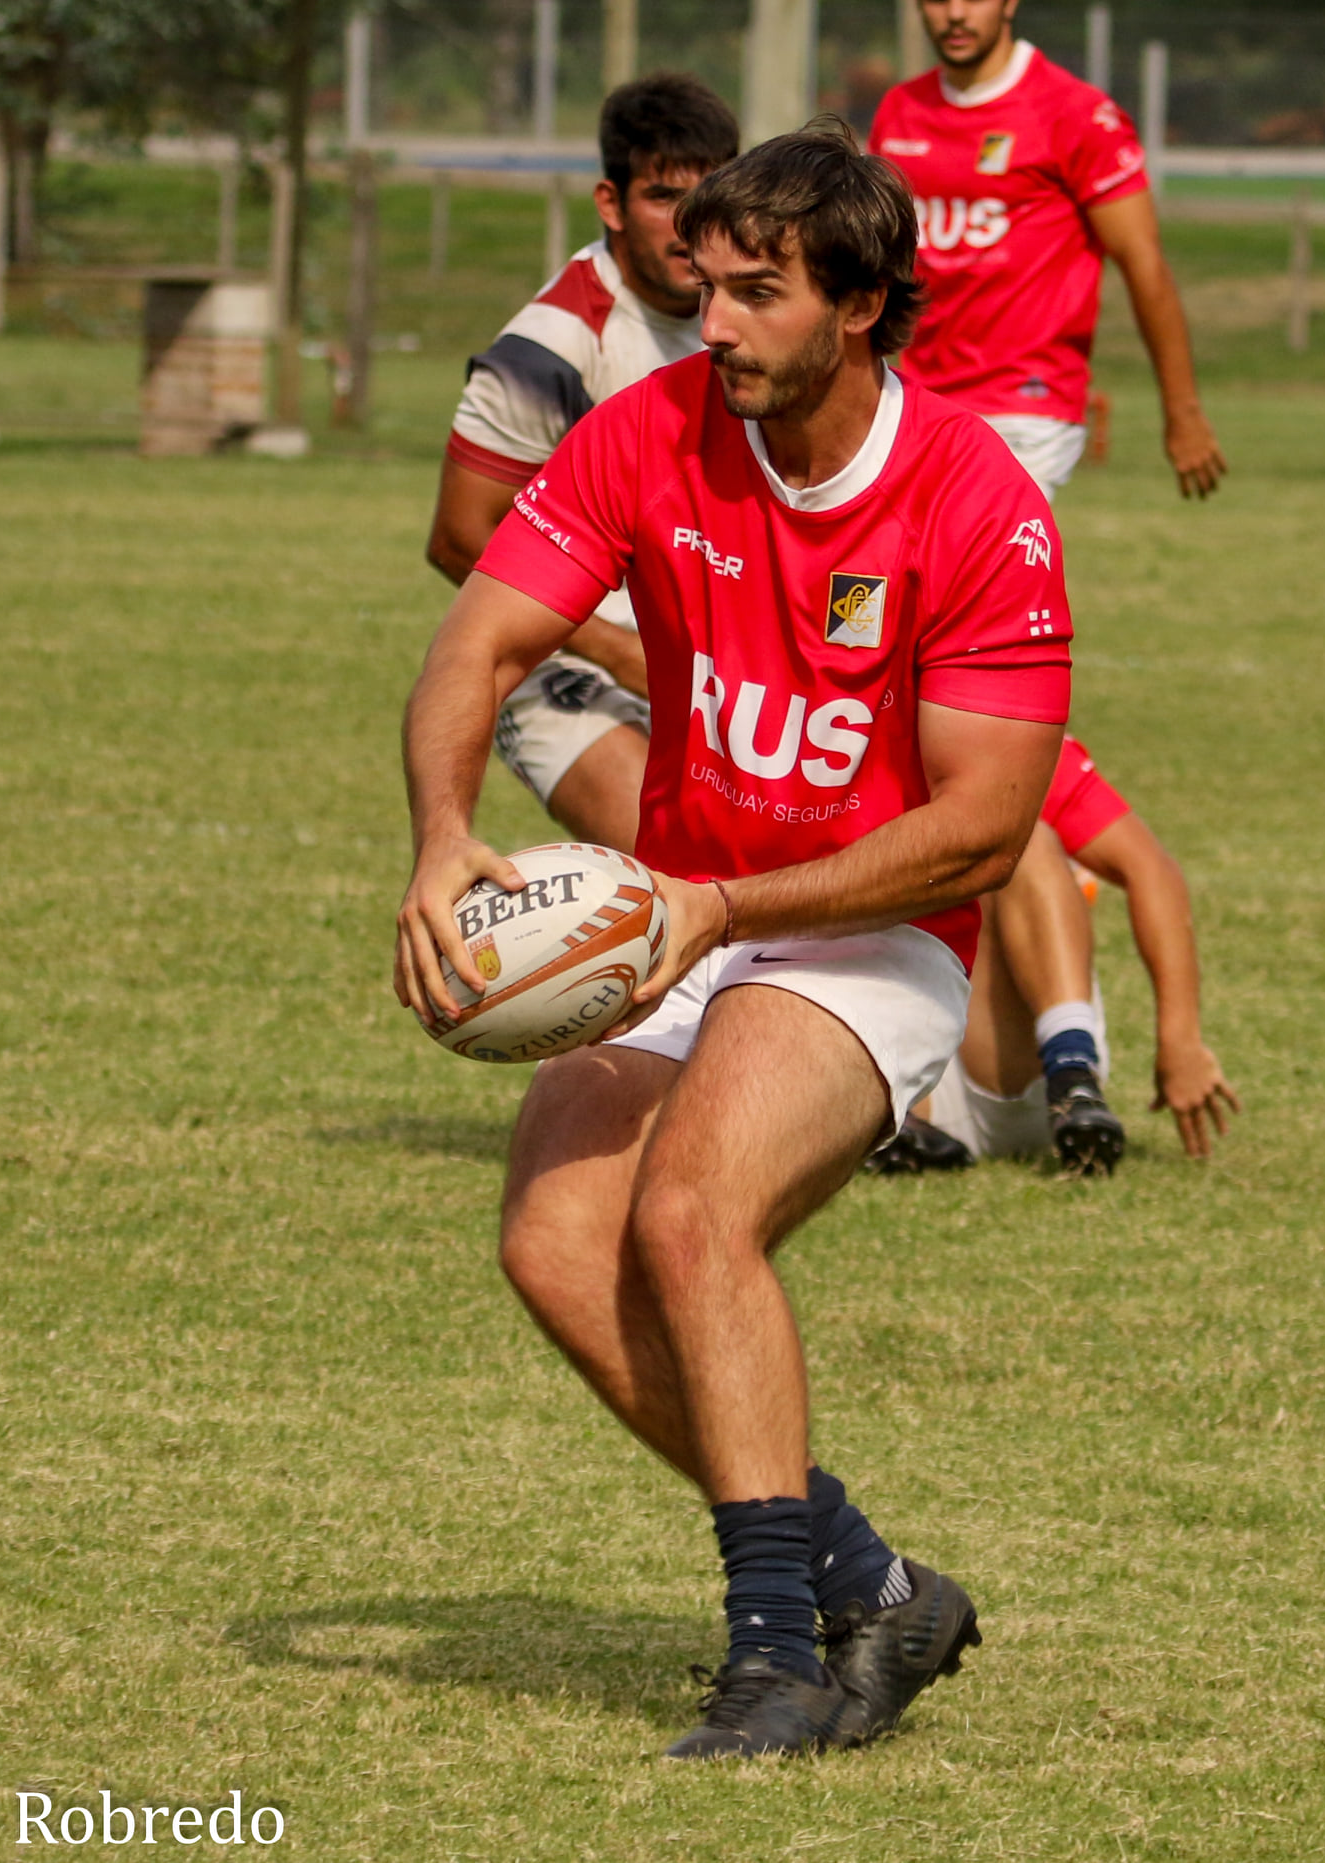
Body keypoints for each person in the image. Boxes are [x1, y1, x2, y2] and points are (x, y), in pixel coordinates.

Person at [396, 124, 1075, 1758]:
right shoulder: (649, 434)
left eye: (757, 294)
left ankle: (776, 1651)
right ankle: (873, 1578)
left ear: (859, 304)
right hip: (680, 912)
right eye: (704, 286)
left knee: (690, 1215)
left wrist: (725, 903)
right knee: (557, 1245)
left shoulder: (974, 497)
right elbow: (480, 634)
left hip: (866, 930)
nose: (714, 324)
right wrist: (439, 838)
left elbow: (980, 827)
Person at [426, 73, 739, 853]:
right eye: (663, 197)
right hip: (574, 673)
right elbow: (459, 538)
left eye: (709, 198)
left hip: (722, 670)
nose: (687, 225)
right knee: (681, 874)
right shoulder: (550, 349)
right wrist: (623, 651)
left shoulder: (748, 319)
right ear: (610, 204)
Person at [869, 0, 1227, 503]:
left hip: (1027, 402)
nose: (954, 14)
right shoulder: (901, 110)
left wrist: (1183, 411)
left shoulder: (1075, 112)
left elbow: (1142, 261)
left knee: (968, 559)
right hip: (918, 396)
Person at [870, 734, 1241, 1175]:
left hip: (1006, 1060)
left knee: (1020, 835)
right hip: (889, 1068)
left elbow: (1149, 868)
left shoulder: (1008, 735)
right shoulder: (821, 733)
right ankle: (878, 1124)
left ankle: (1072, 1073)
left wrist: (1181, 1042)